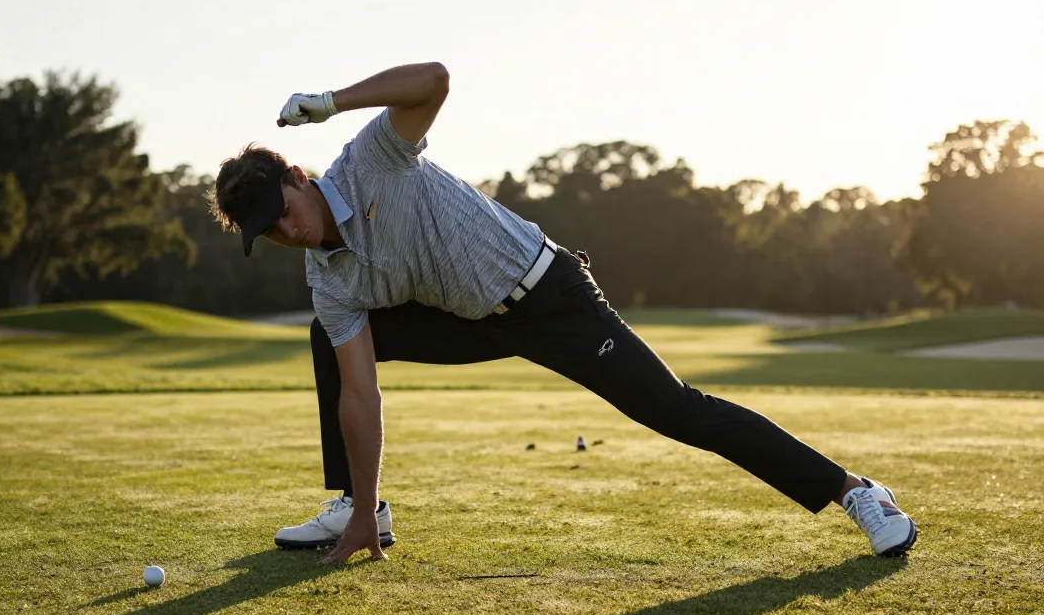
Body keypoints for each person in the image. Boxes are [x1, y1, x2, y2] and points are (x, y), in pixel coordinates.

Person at [207, 62, 919, 565]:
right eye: (268, 231)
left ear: (299, 178)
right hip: (467, 320)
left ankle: (856, 493)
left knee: (679, 410)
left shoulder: (372, 160)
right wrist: (364, 509)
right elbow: (359, 393)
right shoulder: (326, 279)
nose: (287, 230)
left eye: (284, 211)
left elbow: (434, 80)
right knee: (327, 341)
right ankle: (360, 507)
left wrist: (332, 100)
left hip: (549, 296)